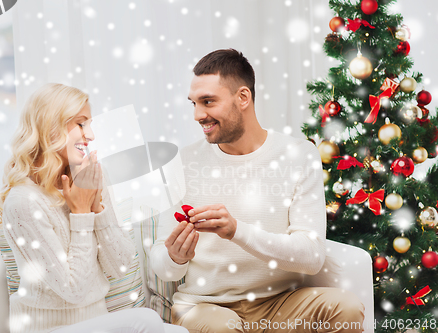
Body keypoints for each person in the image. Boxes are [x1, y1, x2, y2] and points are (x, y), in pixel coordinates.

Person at [150, 49, 365, 333]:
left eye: (208, 102)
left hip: (280, 304)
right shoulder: (182, 164)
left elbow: (312, 257)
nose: (197, 115)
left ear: (243, 97)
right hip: (205, 307)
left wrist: (237, 231)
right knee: (224, 327)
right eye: (193, 103)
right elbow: (163, 268)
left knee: (346, 308)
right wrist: (175, 257)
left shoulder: (298, 154)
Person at [0, 83, 188, 333]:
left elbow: (120, 267)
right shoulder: (23, 202)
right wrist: (81, 214)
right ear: (50, 128)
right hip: (47, 328)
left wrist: (98, 209)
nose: (91, 135)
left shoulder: (90, 176)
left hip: (96, 322)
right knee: (147, 321)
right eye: (81, 124)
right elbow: (72, 290)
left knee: (178, 331)